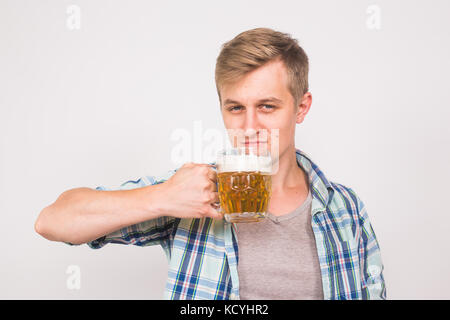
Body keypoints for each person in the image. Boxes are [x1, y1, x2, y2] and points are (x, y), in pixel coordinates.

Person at [35, 27, 386, 300]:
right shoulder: (189, 192)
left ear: (301, 108)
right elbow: (53, 221)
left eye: (267, 106)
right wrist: (161, 197)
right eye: (235, 108)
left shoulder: (346, 209)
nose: (249, 128)